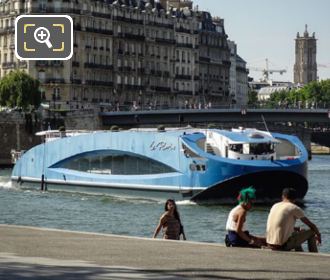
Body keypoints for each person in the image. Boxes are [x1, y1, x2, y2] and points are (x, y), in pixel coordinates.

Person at [266, 188, 321, 252]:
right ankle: (314, 254)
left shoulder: (275, 206)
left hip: (269, 244)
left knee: (295, 233)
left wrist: (296, 228)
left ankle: (300, 252)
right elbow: (311, 225)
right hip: (282, 246)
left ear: (283, 196)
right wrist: (318, 235)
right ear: (295, 199)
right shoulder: (294, 208)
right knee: (312, 232)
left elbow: (280, 224)